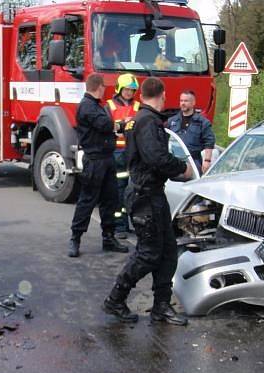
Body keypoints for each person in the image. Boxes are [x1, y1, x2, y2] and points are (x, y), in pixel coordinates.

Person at [103, 77, 194, 325]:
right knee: (148, 254)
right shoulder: (148, 122)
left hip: (151, 194)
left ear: (141, 94)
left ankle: (161, 306)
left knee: (166, 252)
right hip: (145, 196)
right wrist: (183, 168)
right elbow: (157, 158)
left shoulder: (140, 120)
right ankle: (115, 299)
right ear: (162, 95)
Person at [68, 73, 128, 258]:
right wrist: (121, 125)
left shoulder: (97, 105)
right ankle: (75, 238)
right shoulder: (87, 106)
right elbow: (104, 124)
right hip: (94, 161)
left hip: (106, 158)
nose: (105, 90)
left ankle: (108, 238)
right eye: (104, 87)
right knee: (87, 200)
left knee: (110, 199)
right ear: (99, 87)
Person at [105, 74, 140, 239]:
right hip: (117, 154)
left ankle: (128, 224)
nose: (129, 93)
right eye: (126, 89)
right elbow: (106, 127)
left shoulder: (139, 106)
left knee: (132, 190)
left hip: (133, 153)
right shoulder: (110, 106)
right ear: (119, 88)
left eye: (132, 90)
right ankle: (119, 227)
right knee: (118, 191)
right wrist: (122, 124)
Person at [167, 90, 215, 175]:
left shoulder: (202, 122)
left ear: (193, 103)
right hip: (174, 160)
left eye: (186, 101)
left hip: (193, 161)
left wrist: (207, 160)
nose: (183, 103)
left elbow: (209, 142)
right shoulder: (172, 121)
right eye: (181, 100)